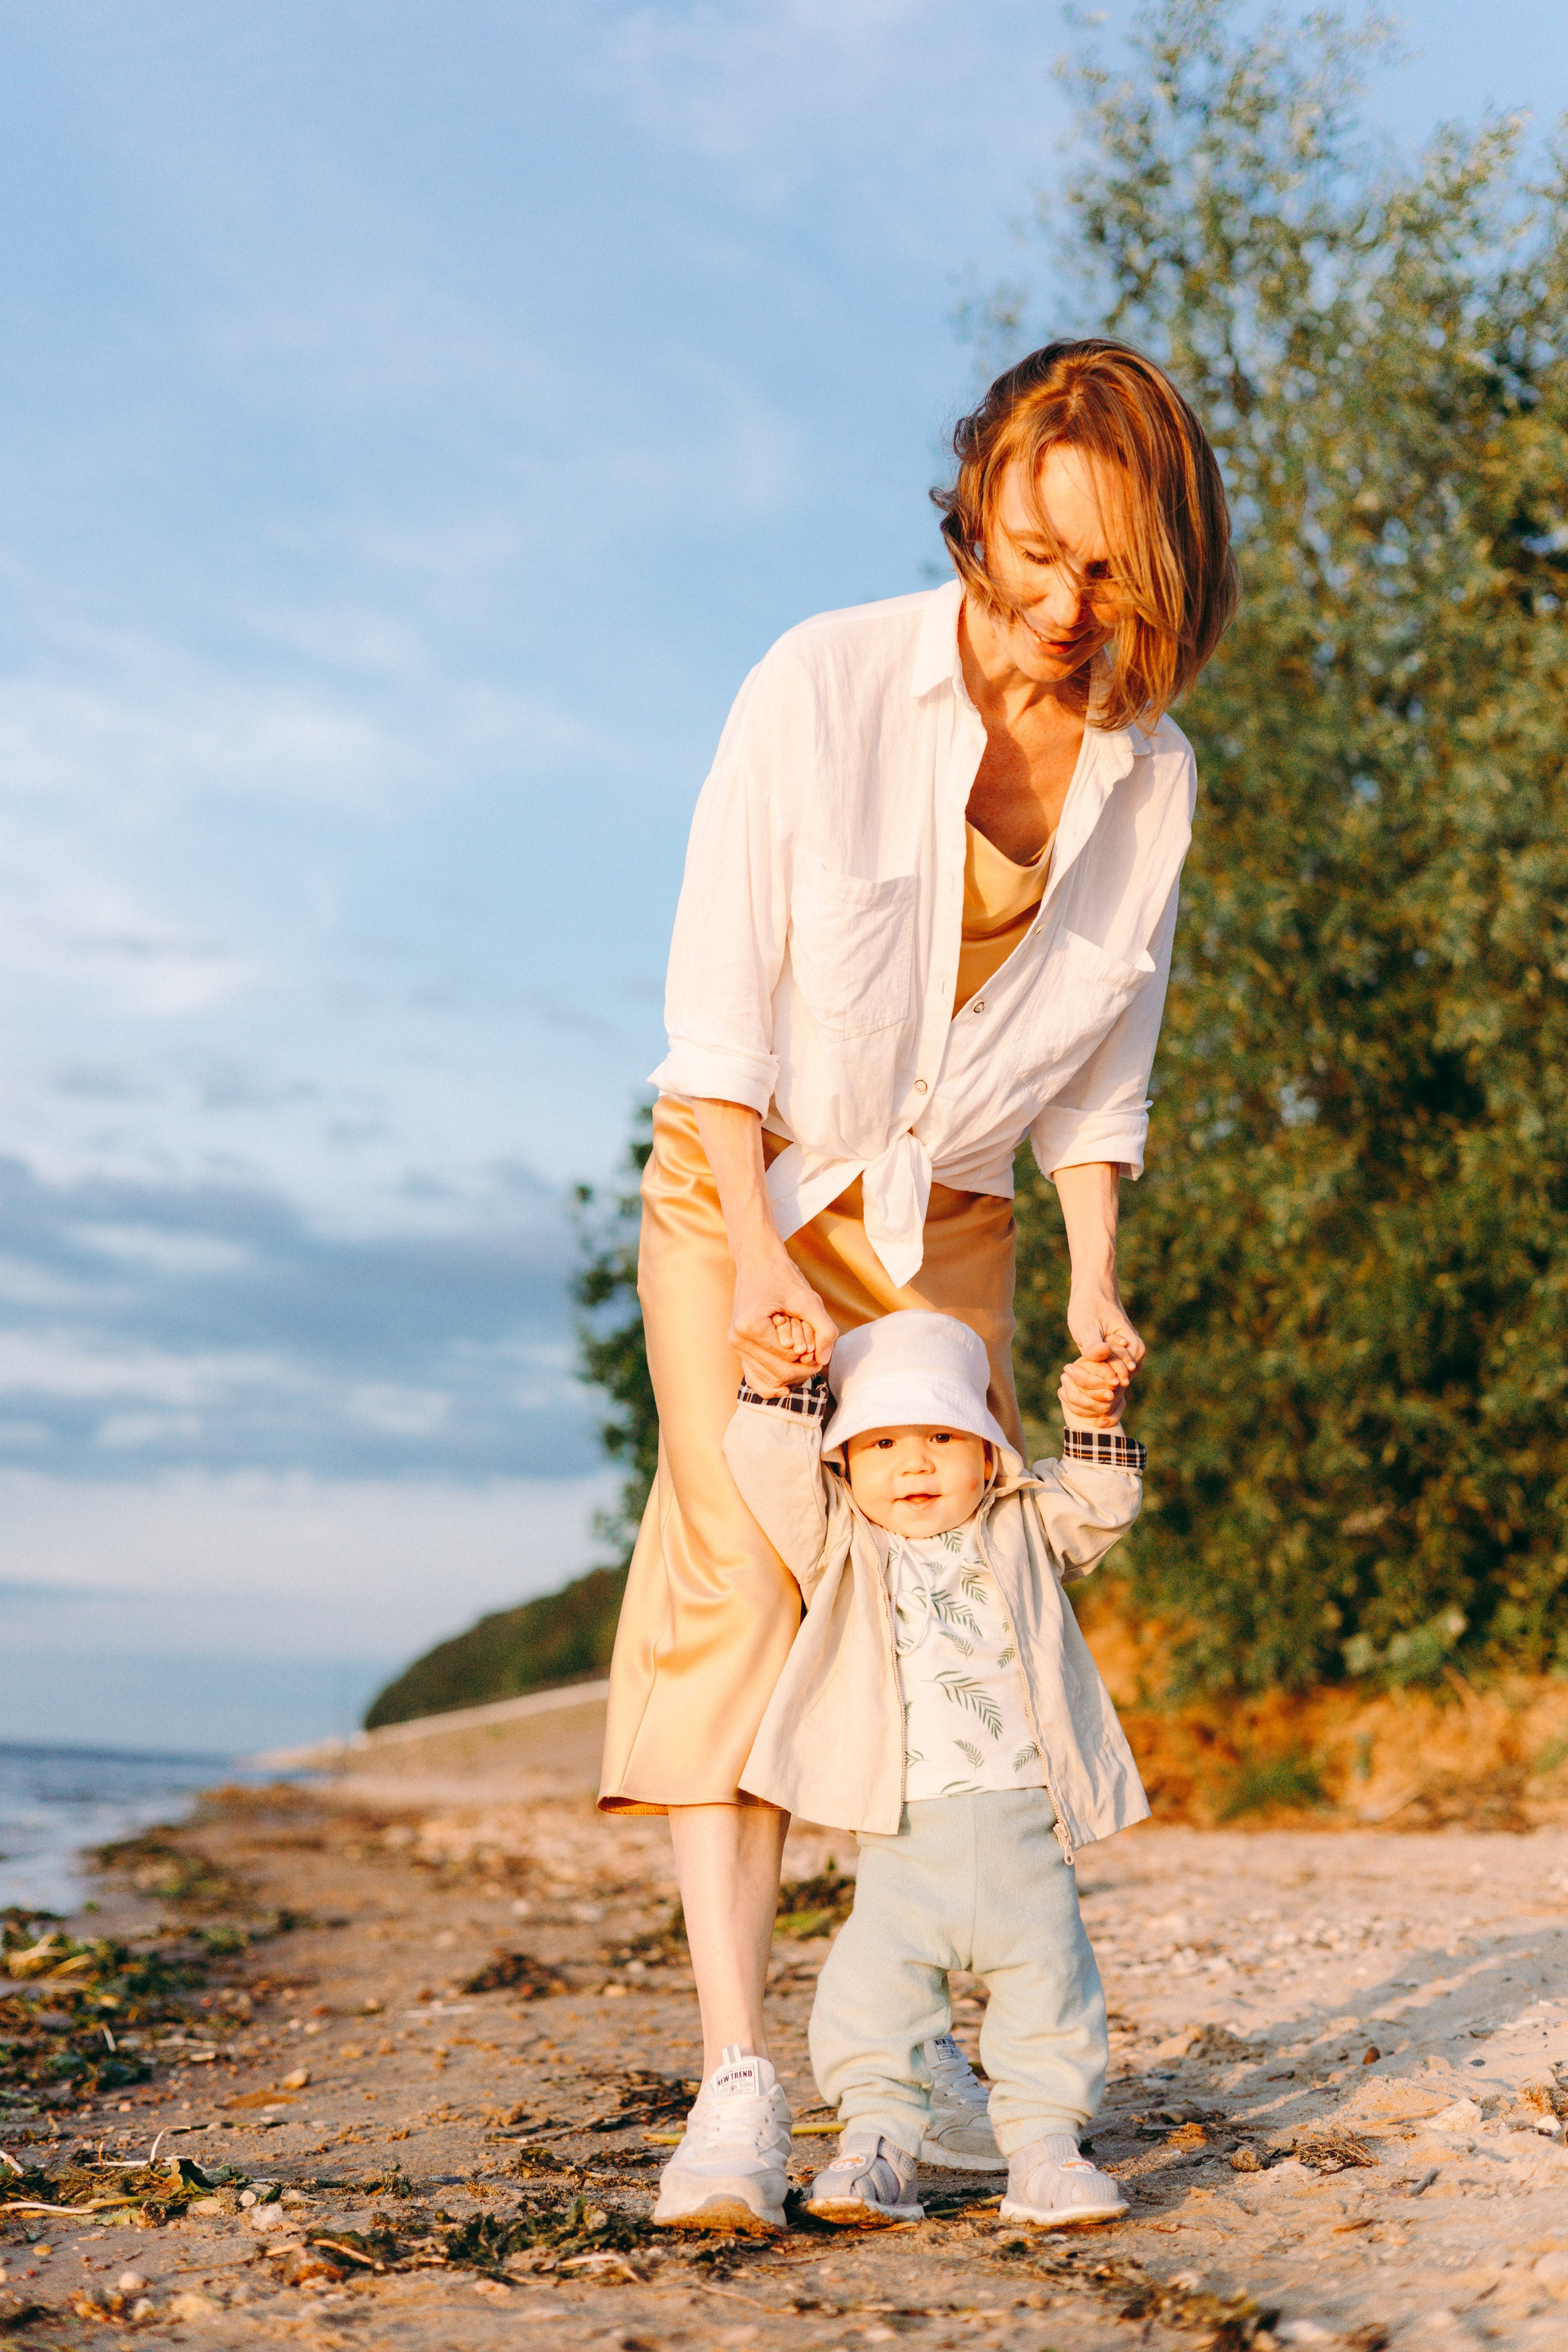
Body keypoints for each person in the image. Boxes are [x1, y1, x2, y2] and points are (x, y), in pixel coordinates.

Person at [598, 338, 1237, 2232]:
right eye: (1020, 553)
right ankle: (736, 2091)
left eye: (1105, 571)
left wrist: (1099, 1281)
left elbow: (1101, 1078)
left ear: (1166, 569)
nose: (1053, 606)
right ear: (973, 511)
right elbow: (711, 1025)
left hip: (955, 1228)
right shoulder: (822, 679)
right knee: (738, 1581)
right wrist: (762, 1269)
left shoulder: (1153, 776)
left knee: (922, 1593)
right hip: (747, 1180)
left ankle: (910, 2059)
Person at [722, 1308, 1145, 2231]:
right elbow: (766, 1469)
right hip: (903, 1847)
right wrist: (780, 1384)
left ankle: (1044, 2152)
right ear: (843, 1465)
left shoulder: (1026, 1524)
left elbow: (1104, 1504)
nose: (912, 1464)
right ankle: (877, 2148)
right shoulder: (843, 1544)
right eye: (879, 1444)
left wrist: (1098, 1426)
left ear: (990, 1454)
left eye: (942, 1437)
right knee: (872, 2001)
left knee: (1051, 1992)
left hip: (1028, 1833)